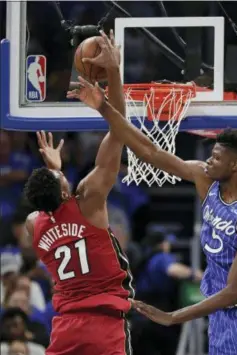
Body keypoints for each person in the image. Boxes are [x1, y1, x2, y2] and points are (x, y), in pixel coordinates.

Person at [68, 70, 237, 353]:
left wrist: (173, 316)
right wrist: (104, 107)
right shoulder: (205, 178)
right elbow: (150, 152)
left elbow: (234, 292)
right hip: (223, 319)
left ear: (236, 166)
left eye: (216, 158)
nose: (207, 161)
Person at [23, 31, 134, 355]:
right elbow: (119, 129)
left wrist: (54, 172)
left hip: (66, 328)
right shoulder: (89, 199)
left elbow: (47, 210)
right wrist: (113, 71)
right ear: (62, 185)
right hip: (104, 324)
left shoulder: (34, 223)